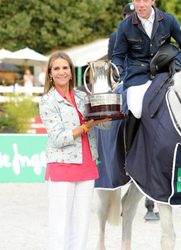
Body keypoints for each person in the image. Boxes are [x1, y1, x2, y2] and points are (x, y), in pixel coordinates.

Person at [39, 51, 110, 250]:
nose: (62, 72)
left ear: (71, 71)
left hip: (86, 165)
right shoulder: (47, 101)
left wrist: (107, 114)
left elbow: (102, 126)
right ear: (50, 74)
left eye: (65, 67)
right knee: (59, 225)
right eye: (57, 68)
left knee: (81, 226)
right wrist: (88, 125)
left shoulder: (82, 96)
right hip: (62, 166)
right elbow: (59, 137)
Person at [112, 0, 181, 152]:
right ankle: (129, 157)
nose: (140, 4)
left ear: (152, 1)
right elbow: (118, 55)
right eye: (137, 0)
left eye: (145, 0)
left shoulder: (169, 20)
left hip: (164, 72)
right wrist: (117, 69)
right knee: (136, 109)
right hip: (137, 76)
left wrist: (178, 62)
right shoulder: (124, 26)